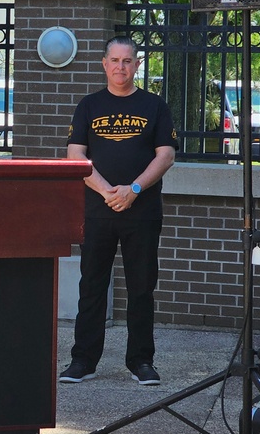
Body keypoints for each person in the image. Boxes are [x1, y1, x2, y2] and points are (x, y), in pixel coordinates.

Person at [61, 36, 177, 387]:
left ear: (137, 65)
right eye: (114, 60)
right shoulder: (89, 105)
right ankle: (83, 361)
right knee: (91, 286)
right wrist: (107, 191)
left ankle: (141, 361)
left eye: (128, 61)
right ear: (104, 63)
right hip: (97, 210)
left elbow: (166, 155)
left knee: (142, 288)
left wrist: (134, 190)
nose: (120, 67)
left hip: (141, 212)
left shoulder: (155, 106)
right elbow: (75, 155)